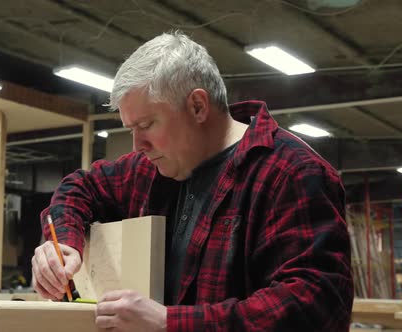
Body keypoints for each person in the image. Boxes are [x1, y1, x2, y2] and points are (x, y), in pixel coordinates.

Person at [32, 31, 353, 331]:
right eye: (131, 129)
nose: (137, 145)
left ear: (198, 106)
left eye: (146, 124)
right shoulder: (150, 169)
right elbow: (81, 186)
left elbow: (314, 306)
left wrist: (169, 322)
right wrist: (62, 243)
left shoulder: (290, 173)